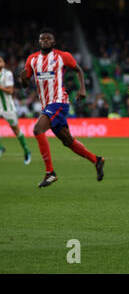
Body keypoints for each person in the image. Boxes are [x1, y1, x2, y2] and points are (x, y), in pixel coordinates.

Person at [19, 29, 105, 188]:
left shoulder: (62, 56)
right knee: (68, 141)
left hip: (59, 101)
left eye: (48, 38)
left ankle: (50, 172)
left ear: (53, 42)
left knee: (38, 130)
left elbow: (78, 69)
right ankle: (97, 160)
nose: (45, 40)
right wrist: (23, 79)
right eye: (42, 38)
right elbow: (25, 83)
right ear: (39, 42)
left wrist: (82, 89)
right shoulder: (32, 59)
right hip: (47, 105)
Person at [0, 55, 32, 164]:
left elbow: (10, 91)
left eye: (1, 60)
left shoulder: (7, 74)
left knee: (16, 130)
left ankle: (27, 151)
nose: (0, 62)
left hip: (7, 107)